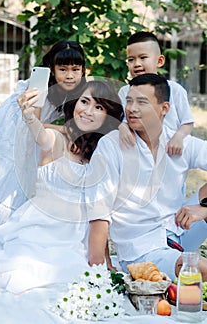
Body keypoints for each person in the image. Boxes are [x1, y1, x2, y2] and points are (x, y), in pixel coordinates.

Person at [0, 80, 124, 294]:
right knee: (20, 275)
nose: (89, 111)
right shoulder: (57, 139)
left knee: (72, 278)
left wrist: (105, 257)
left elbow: (99, 210)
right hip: (40, 227)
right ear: (75, 103)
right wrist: (28, 115)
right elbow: (41, 136)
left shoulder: (102, 150)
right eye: (84, 101)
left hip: (75, 234)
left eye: (99, 107)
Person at [87, 73, 207, 282]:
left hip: (180, 229)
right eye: (129, 101)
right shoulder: (112, 146)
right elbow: (99, 213)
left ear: (164, 109)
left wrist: (204, 207)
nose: (132, 108)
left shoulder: (179, 142)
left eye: (141, 102)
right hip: (141, 249)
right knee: (201, 269)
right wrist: (99, 274)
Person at [0, 40, 86, 237]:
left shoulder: (77, 87)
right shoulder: (40, 84)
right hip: (13, 128)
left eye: (75, 69)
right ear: (52, 69)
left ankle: (6, 227)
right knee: (7, 174)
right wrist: (63, 129)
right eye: (63, 69)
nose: (69, 75)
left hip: (31, 128)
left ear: (83, 70)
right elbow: (32, 123)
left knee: (21, 175)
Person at [118, 31, 194, 157]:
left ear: (159, 61)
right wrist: (122, 127)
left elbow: (187, 122)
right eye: (131, 59)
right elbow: (121, 120)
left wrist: (178, 137)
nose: (137, 64)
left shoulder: (175, 90)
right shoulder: (125, 92)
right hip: (139, 154)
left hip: (170, 151)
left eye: (143, 58)